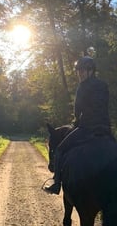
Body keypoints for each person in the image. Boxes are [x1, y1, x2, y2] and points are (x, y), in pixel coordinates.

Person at [44, 55, 112, 195]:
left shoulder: (82, 87)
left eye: (82, 70)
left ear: (90, 71)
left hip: (87, 128)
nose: (79, 74)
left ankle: (56, 184)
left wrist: (76, 121)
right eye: (78, 71)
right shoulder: (103, 85)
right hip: (105, 128)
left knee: (60, 150)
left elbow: (77, 109)